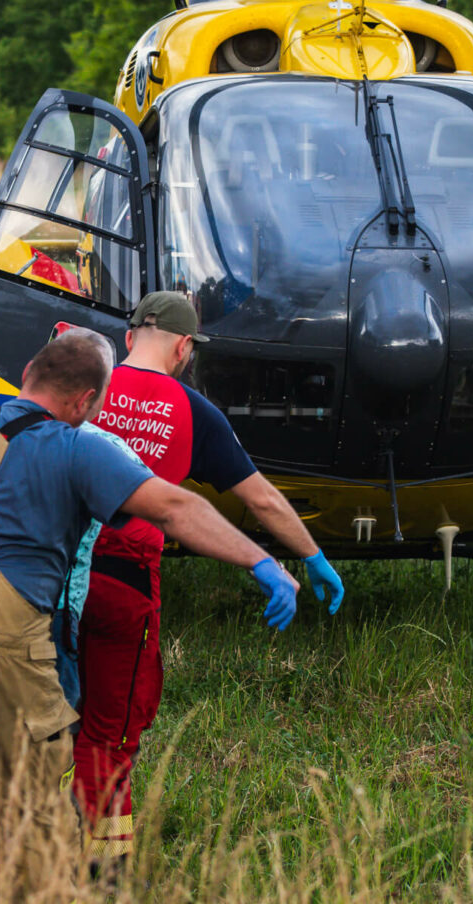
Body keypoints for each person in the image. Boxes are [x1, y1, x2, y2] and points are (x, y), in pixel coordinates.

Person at [0, 334, 302, 902]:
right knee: (36, 780)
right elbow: (175, 507)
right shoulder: (76, 446)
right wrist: (262, 560)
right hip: (2, 638)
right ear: (86, 401)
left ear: (26, 371)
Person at [74, 291, 343, 862]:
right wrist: (312, 555)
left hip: (53, 575)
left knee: (57, 714)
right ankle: (105, 865)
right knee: (114, 728)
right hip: (125, 583)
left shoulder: (85, 385)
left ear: (128, 338)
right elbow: (263, 501)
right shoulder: (191, 410)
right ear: (184, 347)